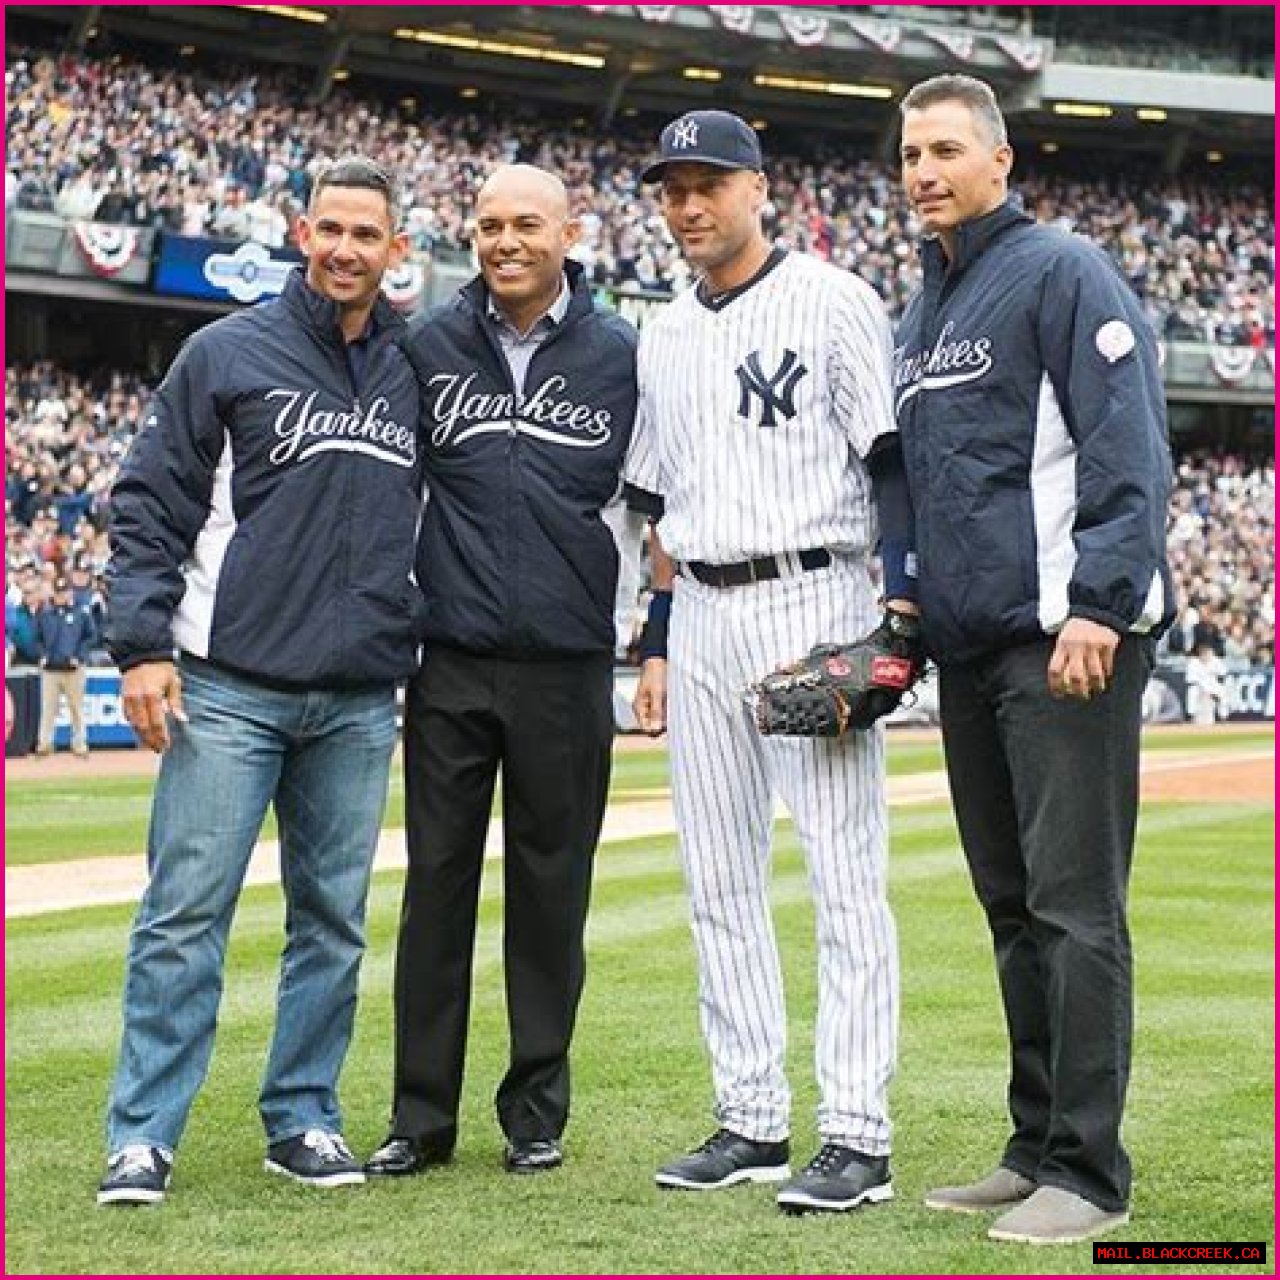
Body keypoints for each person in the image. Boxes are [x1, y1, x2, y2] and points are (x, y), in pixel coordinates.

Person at [97, 157, 422, 1206]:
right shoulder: (225, 351)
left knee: (332, 921)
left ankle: (304, 1115)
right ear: (299, 230)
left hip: (360, 697)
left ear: (396, 249)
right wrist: (142, 644)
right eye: (328, 228)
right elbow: (148, 502)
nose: (343, 248)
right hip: (227, 684)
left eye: (365, 234)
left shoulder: (417, 367)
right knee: (185, 912)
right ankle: (143, 1132)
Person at [893, 75, 1174, 1245]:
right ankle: (1032, 1142)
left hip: (1066, 637)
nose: (922, 170)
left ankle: (1091, 1172)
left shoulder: (1061, 270)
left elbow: (1125, 446)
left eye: (946, 149)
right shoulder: (919, 310)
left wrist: (1099, 605)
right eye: (908, 152)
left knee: (1072, 907)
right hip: (971, 650)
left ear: (998, 164)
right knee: (1011, 906)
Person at [626, 110, 919, 1215]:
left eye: (707, 183)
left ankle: (857, 1131)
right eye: (671, 187)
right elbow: (656, 505)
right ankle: (749, 1114)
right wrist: (654, 641)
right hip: (699, 606)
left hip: (815, 592)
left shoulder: (833, 299)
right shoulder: (658, 330)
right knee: (716, 875)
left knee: (842, 876)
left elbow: (887, 459)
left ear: (760, 188)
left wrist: (897, 611)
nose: (687, 204)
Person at [364, 165, 637, 1179]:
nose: (505, 241)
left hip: (566, 667)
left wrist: (647, 638)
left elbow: (655, 507)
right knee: (433, 889)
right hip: (452, 660)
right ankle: (419, 1116)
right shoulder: (427, 343)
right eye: (488, 224)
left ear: (571, 228)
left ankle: (534, 1109)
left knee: (550, 891)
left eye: (527, 223)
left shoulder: (621, 354)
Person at [34, 576, 96, 756]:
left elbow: (91, 637)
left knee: (76, 708)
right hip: (50, 669)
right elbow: (36, 638)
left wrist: (80, 656)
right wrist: (42, 655)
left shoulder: (81, 612)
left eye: (65, 591)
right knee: (48, 708)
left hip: (73, 668)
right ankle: (45, 743)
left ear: (71, 592)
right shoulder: (45, 613)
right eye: (59, 592)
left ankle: (79, 743)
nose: (62, 596)